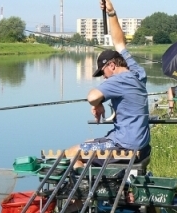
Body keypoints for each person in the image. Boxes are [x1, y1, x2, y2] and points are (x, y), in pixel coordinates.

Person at [65, 0, 151, 169]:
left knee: (71, 153)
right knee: (90, 142)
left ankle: (84, 190)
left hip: (124, 147)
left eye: (103, 72)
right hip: (142, 145)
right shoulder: (137, 73)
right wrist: (112, 13)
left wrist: (97, 103)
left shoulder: (118, 80)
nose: (104, 78)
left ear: (111, 66)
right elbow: (120, 44)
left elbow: (92, 97)